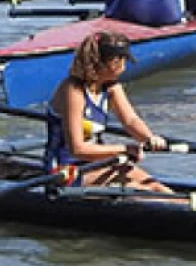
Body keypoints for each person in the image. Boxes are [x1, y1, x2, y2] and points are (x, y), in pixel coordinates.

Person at [44, 32, 170, 192]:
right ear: (106, 63)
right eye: (122, 60)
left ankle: (188, 210)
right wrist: (124, 149)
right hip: (65, 171)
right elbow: (77, 149)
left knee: (155, 186)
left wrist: (150, 138)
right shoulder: (73, 91)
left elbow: (130, 120)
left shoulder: (112, 88)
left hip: (96, 164)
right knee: (137, 189)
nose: (125, 66)